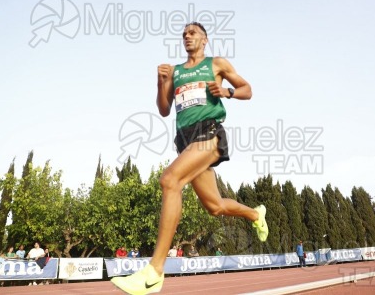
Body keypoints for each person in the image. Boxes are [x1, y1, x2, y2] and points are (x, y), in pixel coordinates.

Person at [111, 21, 269, 295]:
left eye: (192, 33)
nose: (187, 36)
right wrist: (160, 83)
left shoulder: (216, 63)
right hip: (185, 140)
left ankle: (154, 271)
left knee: (170, 180)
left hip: (209, 132)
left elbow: (248, 89)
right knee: (215, 206)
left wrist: (227, 92)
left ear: (204, 39)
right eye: (184, 34)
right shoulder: (175, 72)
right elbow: (163, 109)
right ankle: (255, 214)